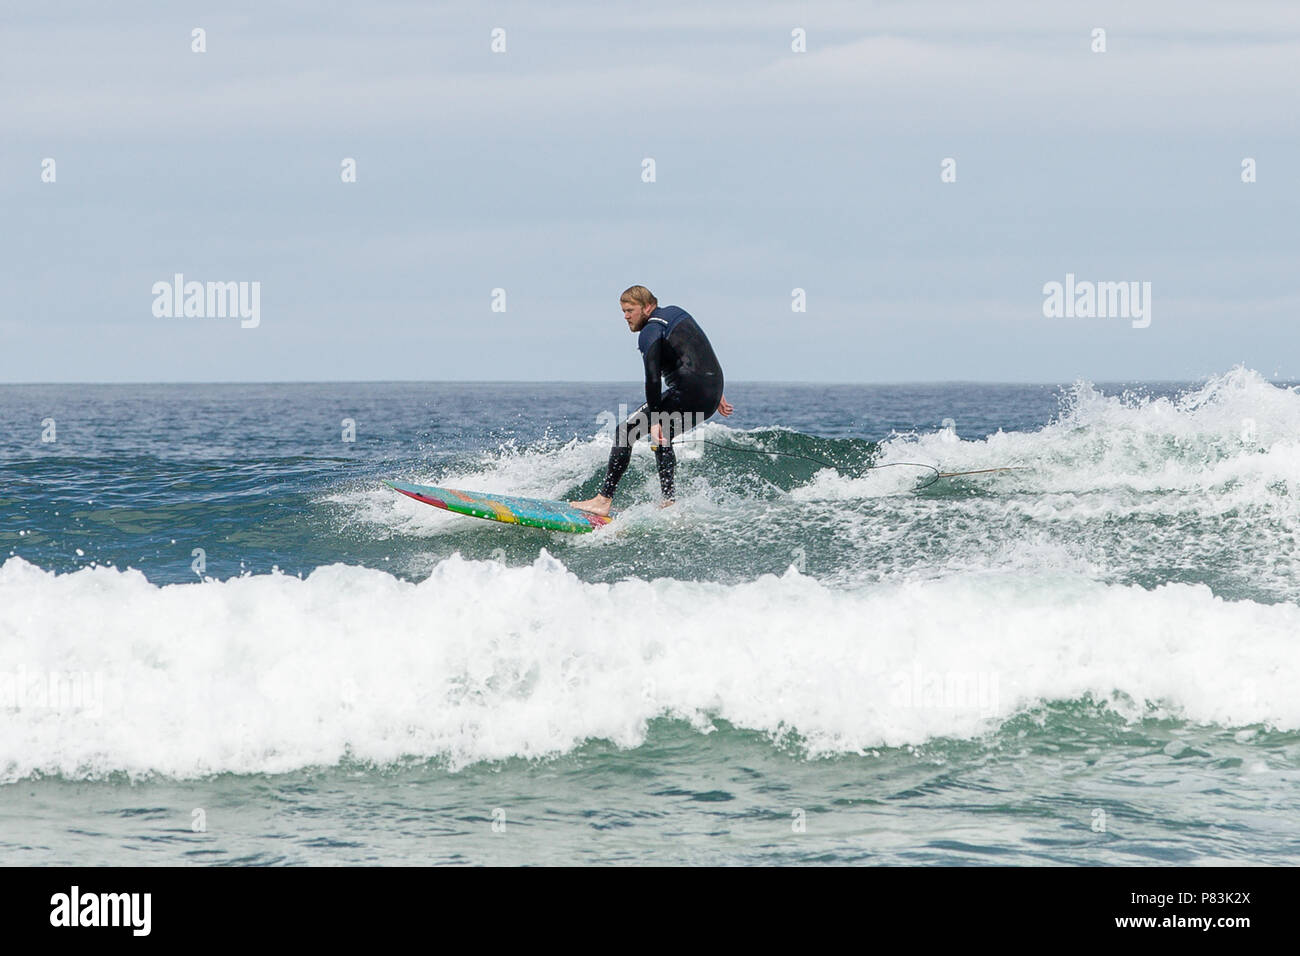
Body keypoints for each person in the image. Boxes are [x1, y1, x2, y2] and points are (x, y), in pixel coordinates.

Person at [571, 286, 732, 516]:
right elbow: (699, 350)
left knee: (624, 433)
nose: (626, 316)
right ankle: (668, 501)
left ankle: (603, 500)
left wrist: (655, 419)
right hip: (709, 392)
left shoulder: (650, 332)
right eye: (623, 311)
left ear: (647, 307)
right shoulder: (676, 313)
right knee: (663, 436)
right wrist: (715, 391)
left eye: (630, 310)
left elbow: (653, 379)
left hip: (690, 393)